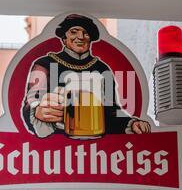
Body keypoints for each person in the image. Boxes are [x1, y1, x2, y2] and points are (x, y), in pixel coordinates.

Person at [22, 14, 151, 138]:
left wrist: (132, 124)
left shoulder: (101, 68)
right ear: (64, 37)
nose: (81, 36)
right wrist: (38, 111)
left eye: (86, 33)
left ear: (90, 38)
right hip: (57, 147)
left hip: (98, 149)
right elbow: (32, 101)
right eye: (74, 31)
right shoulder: (45, 64)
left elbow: (111, 113)